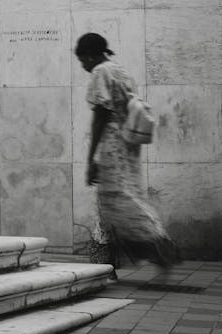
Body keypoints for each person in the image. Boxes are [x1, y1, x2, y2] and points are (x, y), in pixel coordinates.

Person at [75, 32, 180, 270]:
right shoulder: (120, 71)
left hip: (112, 143)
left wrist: (91, 158)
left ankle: (155, 242)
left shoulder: (100, 72)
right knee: (124, 194)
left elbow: (100, 117)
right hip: (128, 143)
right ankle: (115, 257)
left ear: (91, 56)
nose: (83, 66)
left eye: (83, 60)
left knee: (116, 197)